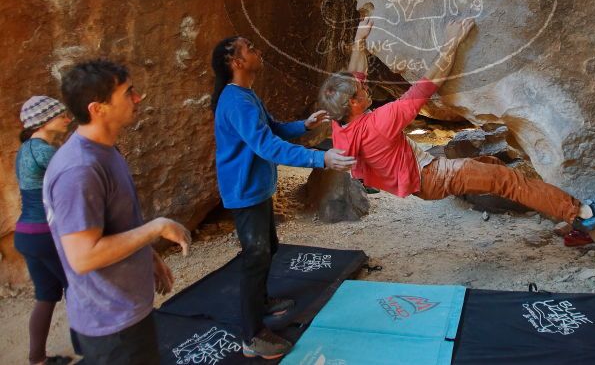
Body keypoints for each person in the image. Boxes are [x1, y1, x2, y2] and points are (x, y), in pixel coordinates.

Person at [318, 17, 595, 232]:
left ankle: (555, 209)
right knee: (505, 180)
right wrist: (452, 43)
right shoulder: (381, 122)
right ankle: (581, 215)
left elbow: (354, 77)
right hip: (432, 176)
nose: (365, 86)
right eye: (361, 91)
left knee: (491, 165)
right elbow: (426, 86)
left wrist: (359, 42)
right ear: (353, 104)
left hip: (422, 177)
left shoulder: (341, 124)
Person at [211, 36, 356, 360]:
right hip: (244, 193)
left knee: (268, 248)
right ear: (236, 62)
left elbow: (271, 129)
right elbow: (267, 147)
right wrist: (320, 158)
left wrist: (303, 125)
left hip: (256, 189)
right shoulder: (236, 101)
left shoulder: (245, 95)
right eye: (250, 48)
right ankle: (252, 336)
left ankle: (262, 302)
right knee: (256, 256)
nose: (258, 51)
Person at [43, 60, 191, 364]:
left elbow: (117, 223)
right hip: (112, 325)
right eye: (128, 93)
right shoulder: (79, 170)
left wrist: (148, 255)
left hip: (125, 312)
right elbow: (83, 257)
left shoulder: (106, 150)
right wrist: (156, 228)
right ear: (98, 109)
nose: (138, 98)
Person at [15, 96, 73, 365]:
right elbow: (76, 179)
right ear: (43, 121)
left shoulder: (25, 150)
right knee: (78, 288)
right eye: (61, 115)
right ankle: (92, 349)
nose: (68, 119)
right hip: (45, 234)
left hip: (26, 234)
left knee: (46, 295)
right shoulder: (43, 152)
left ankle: (37, 359)